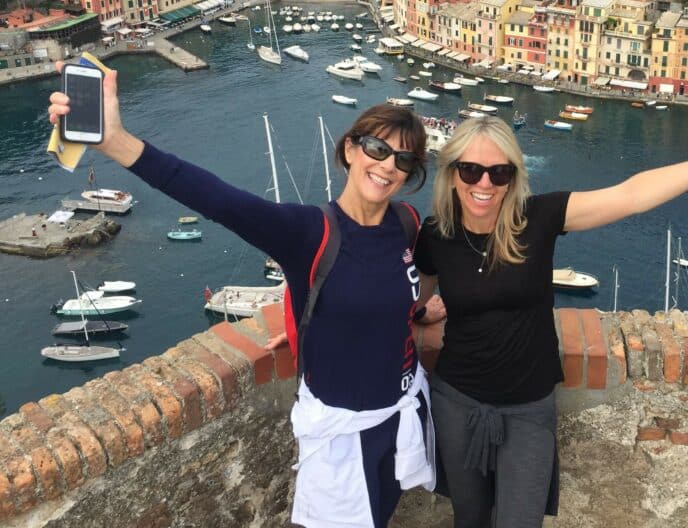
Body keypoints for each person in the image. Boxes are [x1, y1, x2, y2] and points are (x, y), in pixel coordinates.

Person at [47, 65, 440, 528]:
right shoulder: (307, 231)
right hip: (341, 435)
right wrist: (115, 141)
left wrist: (419, 309)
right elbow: (216, 198)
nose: (389, 165)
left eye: (405, 160)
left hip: (404, 411)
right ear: (351, 150)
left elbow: (387, 291)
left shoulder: (408, 223)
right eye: (378, 148)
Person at [412, 105, 688, 528]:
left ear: (513, 177)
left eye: (499, 173)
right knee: (469, 518)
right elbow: (417, 296)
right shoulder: (435, 234)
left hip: (527, 407)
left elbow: (631, 195)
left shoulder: (537, 218)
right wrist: (423, 313)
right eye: (470, 171)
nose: (484, 183)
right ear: (451, 172)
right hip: (456, 400)